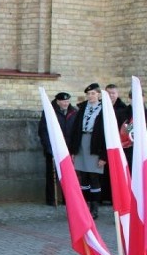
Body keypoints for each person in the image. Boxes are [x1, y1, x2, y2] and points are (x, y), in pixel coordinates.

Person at [70, 83, 106, 219]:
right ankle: (84, 206)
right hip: (82, 143)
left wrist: (104, 156)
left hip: (95, 144)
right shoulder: (82, 108)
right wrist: (73, 150)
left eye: (93, 94)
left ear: (98, 95)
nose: (90, 96)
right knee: (83, 176)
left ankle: (94, 207)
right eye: (88, 94)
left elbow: (107, 134)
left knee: (94, 176)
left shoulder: (104, 109)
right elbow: (75, 130)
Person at [37, 92, 78, 206]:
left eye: (67, 101)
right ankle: (51, 199)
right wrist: (49, 148)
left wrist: (74, 149)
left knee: (68, 175)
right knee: (52, 175)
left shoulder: (73, 112)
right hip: (53, 148)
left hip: (68, 148)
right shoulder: (50, 111)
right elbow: (43, 131)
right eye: (64, 101)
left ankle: (67, 198)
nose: (66, 103)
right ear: (58, 101)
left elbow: (76, 132)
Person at [120, 90, 147, 172]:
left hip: (144, 153)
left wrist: (145, 141)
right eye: (133, 98)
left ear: (143, 98)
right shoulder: (121, 114)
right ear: (129, 99)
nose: (135, 100)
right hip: (125, 152)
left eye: (138, 97)